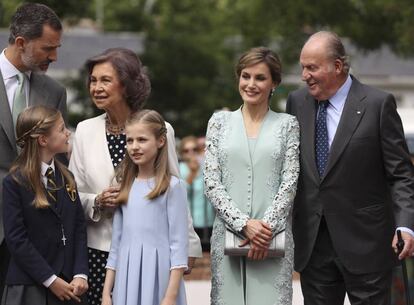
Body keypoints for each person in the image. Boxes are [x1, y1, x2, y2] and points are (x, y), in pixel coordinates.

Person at [286, 31, 414, 305]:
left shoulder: (378, 104)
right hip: (314, 246)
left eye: (312, 67)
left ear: (338, 66)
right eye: (303, 67)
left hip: (367, 243)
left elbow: (401, 175)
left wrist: (405, 226)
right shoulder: (297, 102)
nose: (304, 75)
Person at [68, 48, 202, 305]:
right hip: (98, 251)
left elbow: (173, 187)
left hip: (151, 256)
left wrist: (190, 245)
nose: (96, 87)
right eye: (93, 81)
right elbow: (74, 194)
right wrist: (97, 201)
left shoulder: (160, 129)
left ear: (127, 84)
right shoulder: (84, 131)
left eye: (105, 80)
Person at [204, 47, 300, 305]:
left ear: (274, 84)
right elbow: (211, 183)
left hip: (274, 240)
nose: (251, 84)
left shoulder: (288, 124)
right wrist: (244, 225)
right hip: (226, 238)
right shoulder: (219, 122)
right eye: (245, 76)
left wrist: (264, 232)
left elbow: (290, 182)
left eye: (260, 78)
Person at [0, 3, 66, 300]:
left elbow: (59, 161)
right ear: (21, 43)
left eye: (56, 48)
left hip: (36, 230)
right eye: (47, 48)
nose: (54, 57)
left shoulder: (55, 91)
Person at [2, 105, 88, 305]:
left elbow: (79, 228)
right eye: (61, 129)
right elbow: (16, 239)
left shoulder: (67, 178)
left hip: (69, 285)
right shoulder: (15, 182)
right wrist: (50, 280)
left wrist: (81, 273)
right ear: (43, 140)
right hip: (30, 286)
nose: (68, 133)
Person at [101, 110, 188, 305]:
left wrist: (170, 296)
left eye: (142, 140)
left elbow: (179, 247)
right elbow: (116, 244)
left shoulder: (173, 187)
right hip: (127, 276)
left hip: (160, 278)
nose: (134, 147)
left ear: (161, 141)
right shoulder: (125, 187)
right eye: (130, 140)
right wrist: (107, 293)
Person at [179, 136, 214, 249]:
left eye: (194, 149)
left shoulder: (206, 166)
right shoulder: (181, 168)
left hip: (209, 220)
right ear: (182, 153)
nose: (191, 153)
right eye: (186, 150)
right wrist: (192, 174)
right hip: (189, 222)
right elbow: (181, 193)